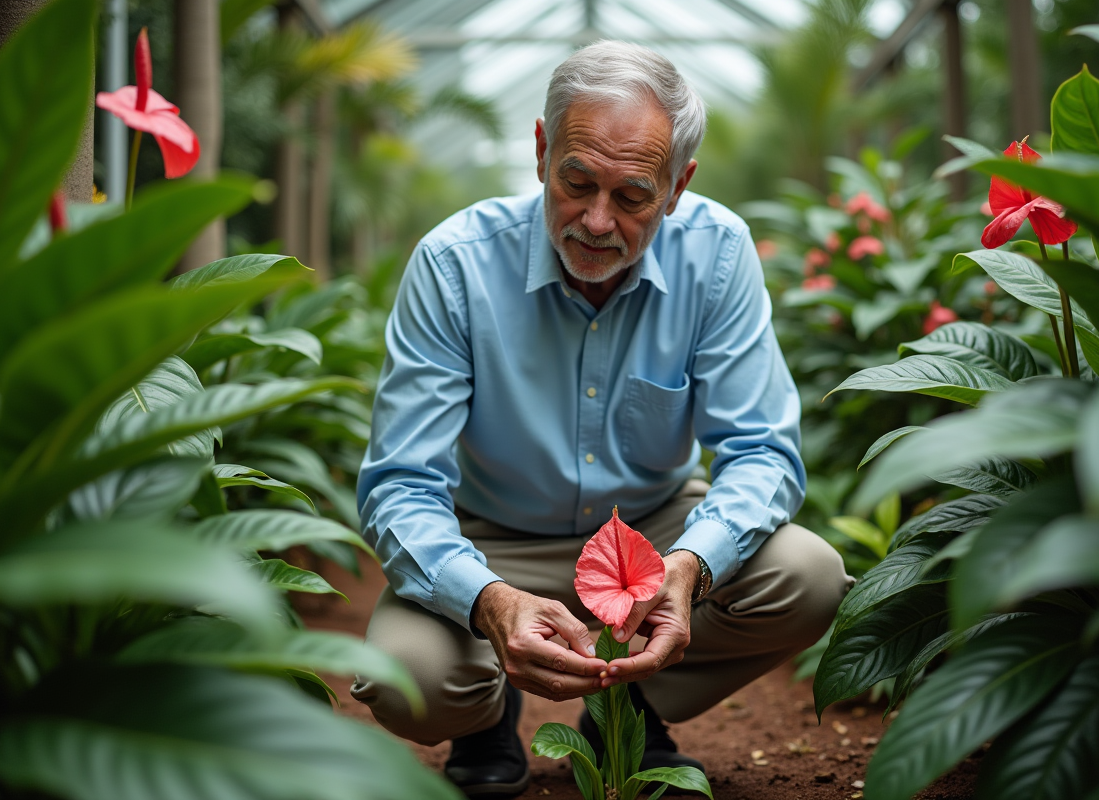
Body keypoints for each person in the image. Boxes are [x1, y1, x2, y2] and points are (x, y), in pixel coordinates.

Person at [351, 40, 853, 799]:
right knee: (408, 680)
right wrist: (489, 602)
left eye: (632, 196)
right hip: (492, 536)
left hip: (649, 531)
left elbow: (761, 451)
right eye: (576, 180)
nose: (595, 220)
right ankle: (486, 714)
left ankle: (629, 707)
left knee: (810, 578)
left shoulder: (717, 255)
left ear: (678, 187)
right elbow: (398, 483)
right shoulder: (454, 264)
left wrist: (690, 568)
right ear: (541, 150)